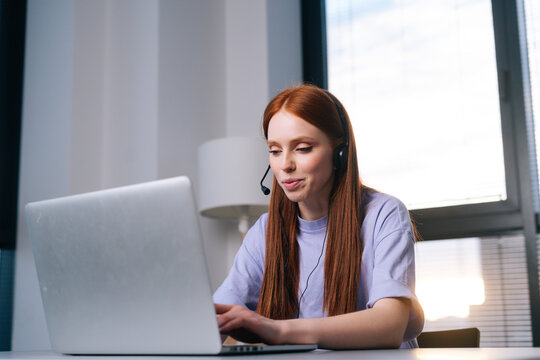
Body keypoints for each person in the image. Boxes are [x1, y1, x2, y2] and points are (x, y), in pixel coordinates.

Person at [213, 84, 424, 349]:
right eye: (275, 151)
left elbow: (390, 325)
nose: (285, 165)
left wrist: (277, 330)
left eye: (302, 148)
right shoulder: (265, 231)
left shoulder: (384, 214)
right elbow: (219, 315)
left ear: (340, 153)